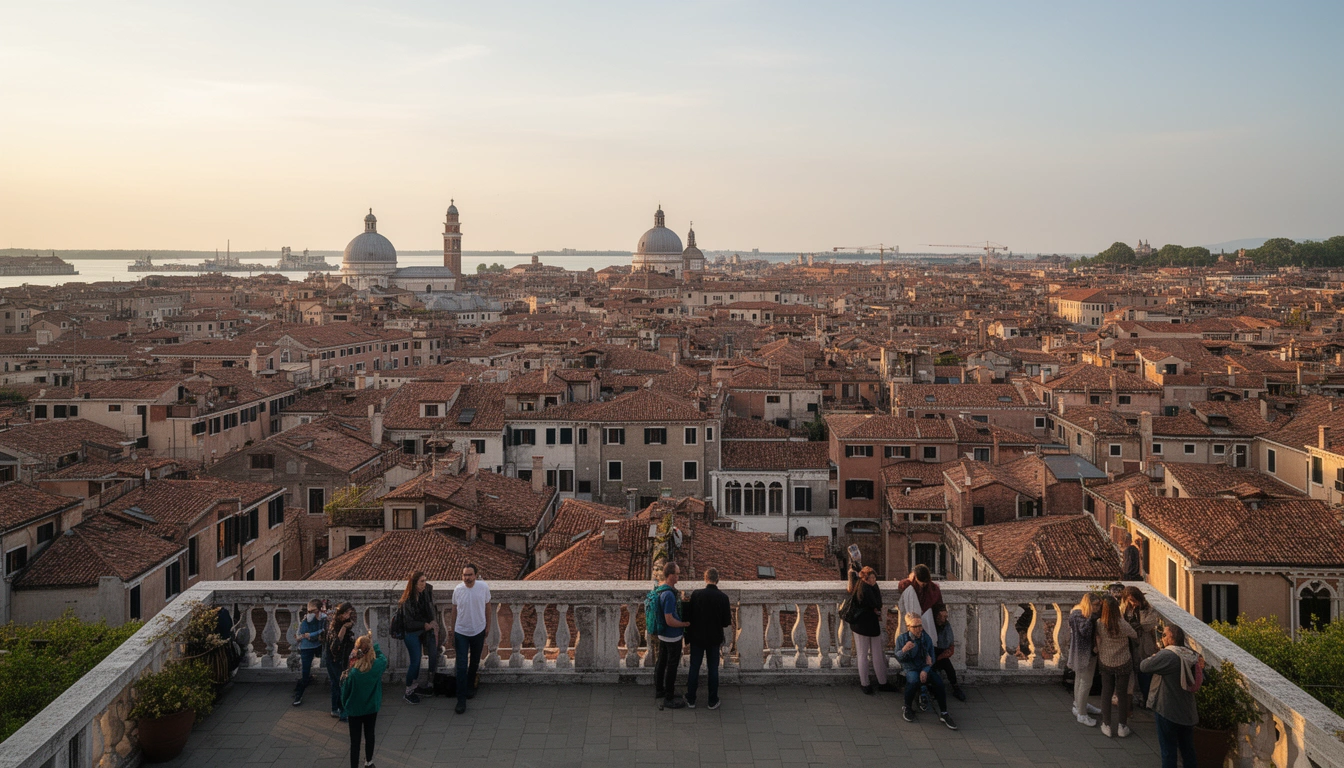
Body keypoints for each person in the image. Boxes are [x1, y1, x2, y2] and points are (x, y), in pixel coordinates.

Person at [1140, 625, 1200, 768]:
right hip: (1187, 711)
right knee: (1188, 750)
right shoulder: (1191, 654)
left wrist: (1155, 655)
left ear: (1171, 638)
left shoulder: (1169, 655)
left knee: (1168, 751)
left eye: (1165, 635)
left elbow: (1144, 666)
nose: (1162, 637)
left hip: (1167, 709)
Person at [895, 612, 957, 730]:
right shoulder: (902, 639)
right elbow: (898, 658)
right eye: (915, 626)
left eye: (920, 625)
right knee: (913, 680)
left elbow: (931, 659)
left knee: (938, 682)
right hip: (910, 668)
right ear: (908, 627)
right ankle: (907, 707)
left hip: (924, 667)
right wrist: (904, 650)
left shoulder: (926, 638)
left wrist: (925, 669)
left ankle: (944, 712)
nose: (919, 629)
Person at [684, 567, 733, 710]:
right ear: (718, 580)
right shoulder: (723, 598)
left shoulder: (696, 594)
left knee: (694, 667)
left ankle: (691, 699)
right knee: (713, 669)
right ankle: (712, 700)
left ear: (705, 579)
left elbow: (690, 615)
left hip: (697, 637)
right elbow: (725, 622)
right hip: (714, 638)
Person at [846, 565, 895, 695]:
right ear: (865, 578)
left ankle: (875, 682)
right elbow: (877, 604)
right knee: (864, 654)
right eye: (871, 578)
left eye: (874, 577)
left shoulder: (860, 585)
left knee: (873, 653)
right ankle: (868, 683)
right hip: (864, 625)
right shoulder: (866, 588)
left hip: (866, 624)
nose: (874, 580)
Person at [340, 634, 387, 768]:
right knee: (370, 735)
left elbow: (345, 693)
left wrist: (346, 705)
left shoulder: (354, 672)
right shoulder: (377, 666)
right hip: (371, 707)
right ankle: (369, 761)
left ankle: (354, 765)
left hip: (355, 709)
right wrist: (375, 646)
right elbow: (383, 659)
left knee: (355, 741)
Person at [1095, 595, 1137, 738]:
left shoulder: (1099, 623)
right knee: (1122, 694)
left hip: (1106, 660)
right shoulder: (1122, 624)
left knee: (1106, 692)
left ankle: (1106, 724)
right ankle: (1122, 726)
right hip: (1123, 661)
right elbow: (1134, 634)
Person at [452, 563, 491, 714]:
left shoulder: (483, 588)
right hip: (461, 631)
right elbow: (454, 610)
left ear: (476, 575)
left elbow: (488, 607)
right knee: (461, 666)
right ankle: (461, 700)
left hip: (478, 630)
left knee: (474, 661)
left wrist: (488, 626)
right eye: (465, 575)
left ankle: (470, 686)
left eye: (470, 575)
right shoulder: (458, 590)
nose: (467, 578)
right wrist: (452, 629)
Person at [397, 571, 439, 704]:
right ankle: (408, 691)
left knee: (421, 659)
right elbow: (408, 623)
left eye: (425, 581)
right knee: (415, 662)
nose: (424, 584)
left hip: (421, 631)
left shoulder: (424, 595)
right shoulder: (407, 601)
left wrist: (432, 622)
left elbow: (429, 610)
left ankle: (416, 686)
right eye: (421, 581)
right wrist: (425, 624)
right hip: (410, 634)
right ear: (414, 583)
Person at [652, 562, 691, 710]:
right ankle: (669, 697)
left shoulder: (661, 588)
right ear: (671, 575)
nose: (678, 577)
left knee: (662, 662)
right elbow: (669, 620)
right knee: (672, 666)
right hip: (672, 636)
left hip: (663, 635)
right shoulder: (669, 595)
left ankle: (659, 690)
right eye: (677, 574)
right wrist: (684, 624)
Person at [1067, 592, 1102, 726]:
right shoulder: (1083, 616)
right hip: (1086, 653)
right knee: (1086, 682)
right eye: (1096, 605)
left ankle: (1079, 704)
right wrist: (1093, 618)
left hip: (1078, 651)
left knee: (1079, 680)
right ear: (1089, 604)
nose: (1098, 607)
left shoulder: (1075, 612)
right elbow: (1085, 631)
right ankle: (1082, 713)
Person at [1122, 586, 1160, 708]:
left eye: (1134, 600)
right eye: (1130, 600)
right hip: (1128, 643)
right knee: (1132, 671)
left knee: (1145, 671)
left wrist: (1135, 623)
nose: (1133, 603)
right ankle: (1132, 698)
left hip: (1144, 643)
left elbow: (1148, 624)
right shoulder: (1124, 609)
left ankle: (1147, 699)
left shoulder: (1147, 609)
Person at [292, 599, 326, 706]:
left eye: (313, 611)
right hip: (306, 647)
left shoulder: (324, 619)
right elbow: (300, 632)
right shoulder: (305, 621)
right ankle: (299, 693)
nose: (310, 613)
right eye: (309, 611)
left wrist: (310, 635)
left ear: (320, 610)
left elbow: (323, 631)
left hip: (319, 646)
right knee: (305, 670)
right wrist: (306, 635)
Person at [326, 602, 356, 720]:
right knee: (339, 684)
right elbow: (335, 646)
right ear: (341, 614)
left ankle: (337, 708)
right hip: (335, 660)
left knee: (338, 683)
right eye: (348, 613)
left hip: (341, 659)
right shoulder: (336, 627)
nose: (350, 615)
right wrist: (343, 629)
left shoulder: (346, 624)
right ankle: (339, 709)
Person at [930, 603, 966, 702]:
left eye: (946, 616)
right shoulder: (930, 625)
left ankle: (955, 687)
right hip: (931, 651)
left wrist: (947, 652)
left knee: (950, 669)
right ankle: (932, 689)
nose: (945, 619)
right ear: (937, 616)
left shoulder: (946, 625)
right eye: (943, 616)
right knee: (933, 669)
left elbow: (950, 641)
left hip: (942, 651)